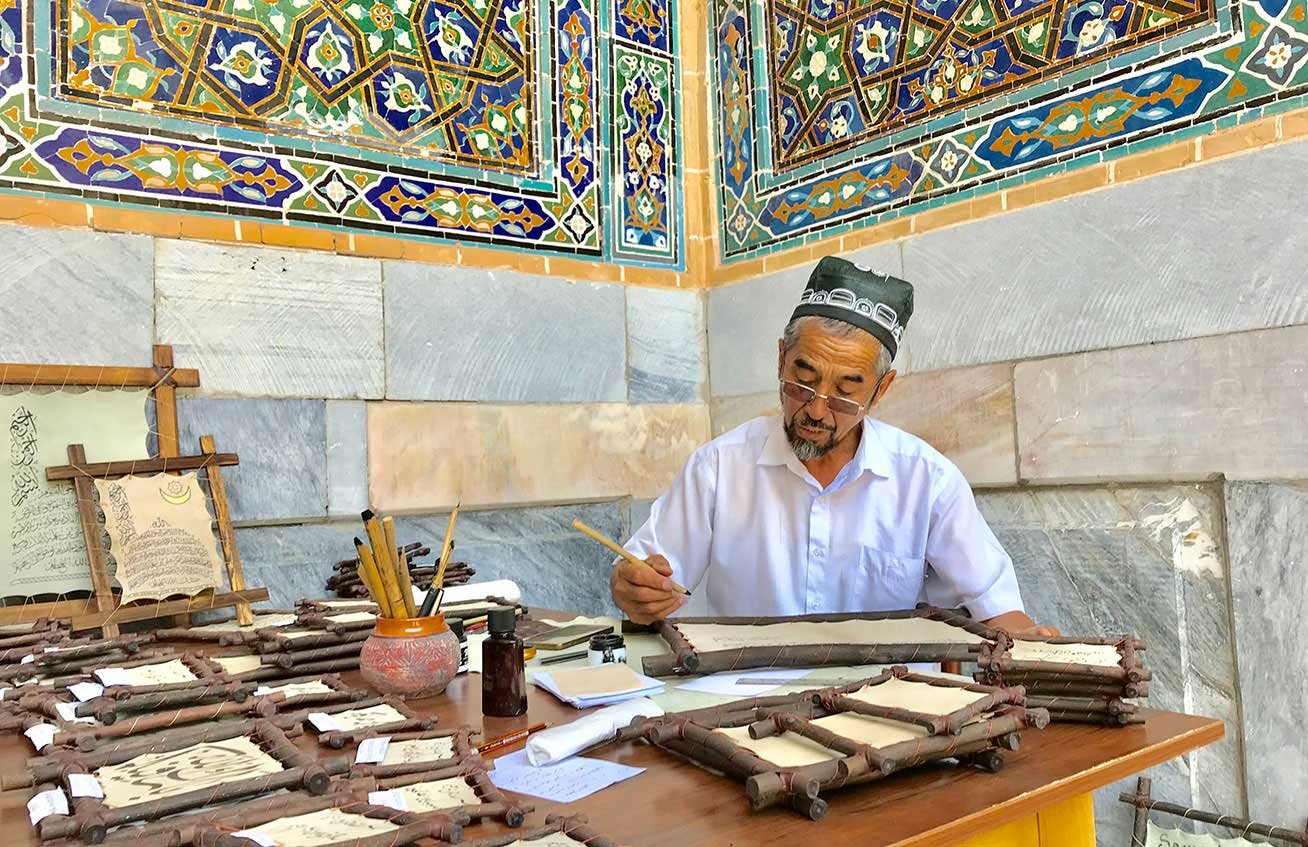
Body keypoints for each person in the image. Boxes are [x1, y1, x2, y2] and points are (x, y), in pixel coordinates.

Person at [611, 256, 1057, 637]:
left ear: (880, 391)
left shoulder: (926, 481)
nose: (818, 411)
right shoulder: (719, 468)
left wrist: (1032, 642)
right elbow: (643, 575)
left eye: (845, 392)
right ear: (781, 358)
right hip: (751, 706)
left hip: (891, 712)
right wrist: (633, 589)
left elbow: (996, 607)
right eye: (802, 381)